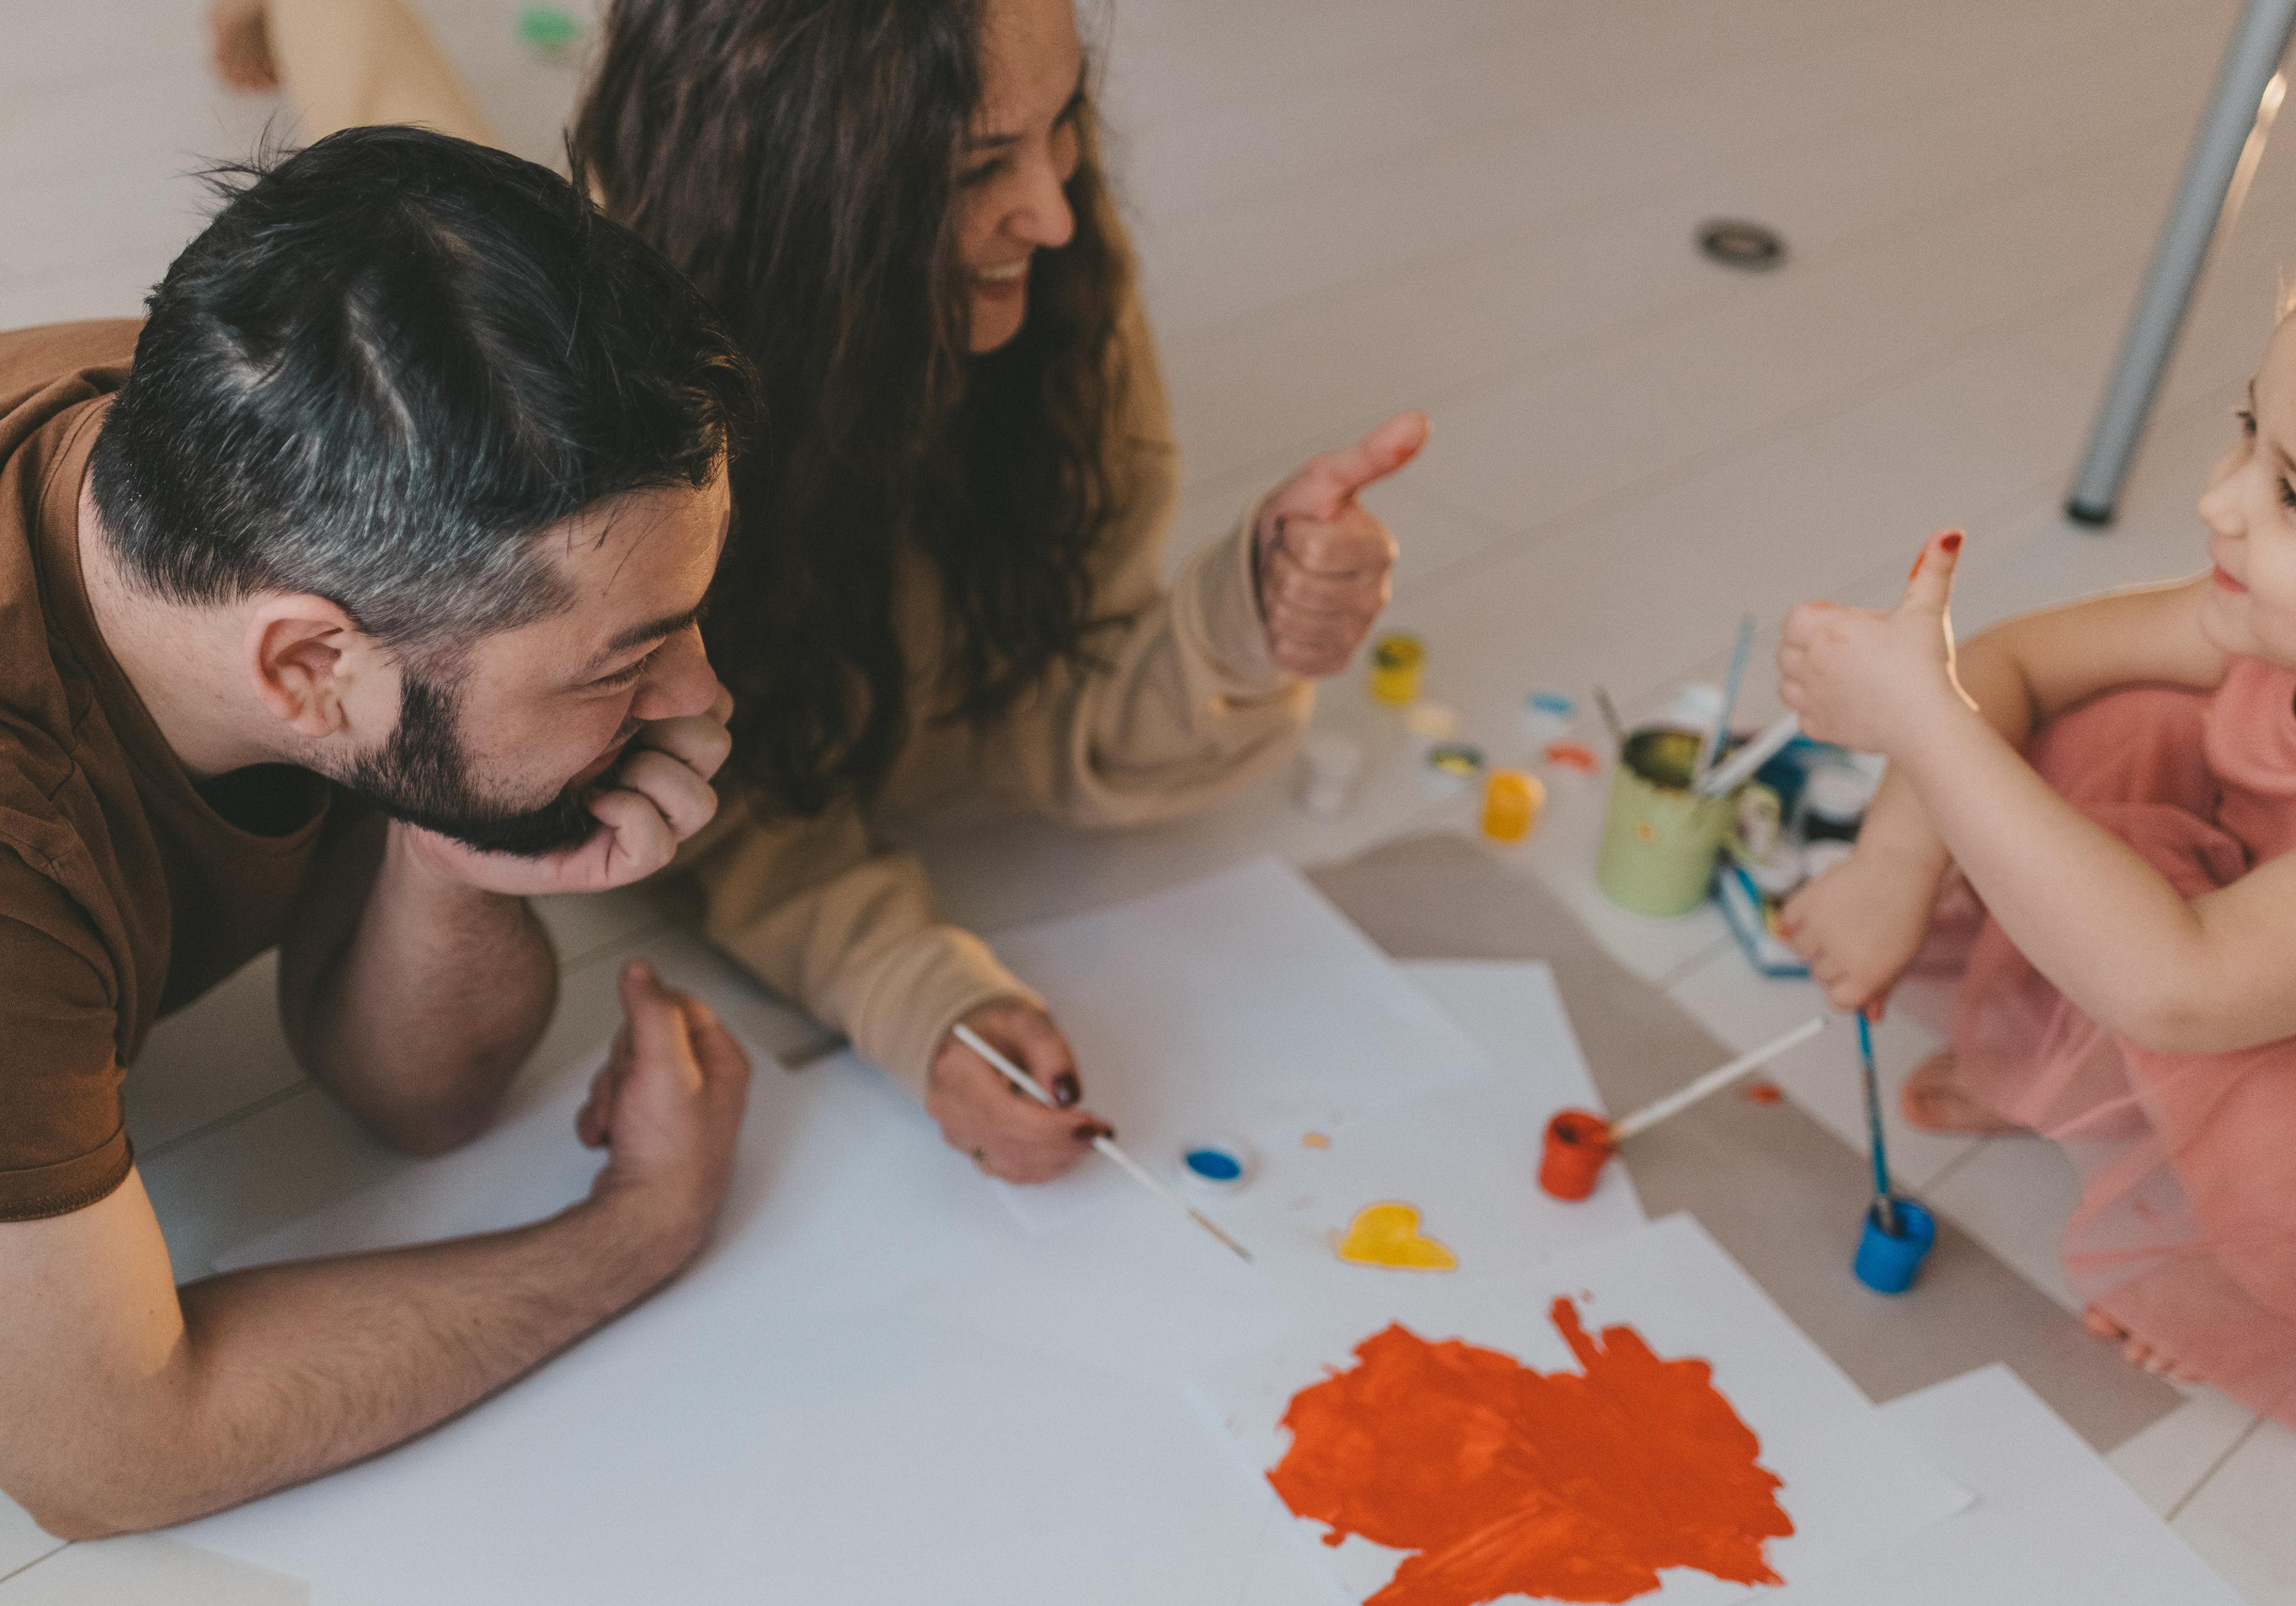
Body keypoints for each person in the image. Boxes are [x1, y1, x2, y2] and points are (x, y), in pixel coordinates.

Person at [206, 0, 1425, 1186]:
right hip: (625, 298)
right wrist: (914, 990)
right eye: (980, 167)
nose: (1056, 215)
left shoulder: (1063, 281)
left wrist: (1243, 621)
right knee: (429, 211)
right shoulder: (650, 417)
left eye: (1066, 124)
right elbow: (724, 809)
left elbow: (1062, 687)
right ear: (800, 190)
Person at [0, 126, 762, 1535]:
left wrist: (465, 840)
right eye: (624, 660)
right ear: (305, 668)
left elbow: (417, 1100)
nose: (698, 697)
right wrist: (635, 1230)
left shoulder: (260, 468)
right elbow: (112, 1454)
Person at [1774, 201, 2296, 1446]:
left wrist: (1920, 720)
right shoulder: (2287, 628)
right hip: (2233, 968)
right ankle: (2053, 1070)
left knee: (2259, 1065)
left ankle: (2271, 1283)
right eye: (2250, 432)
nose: (2219, 500)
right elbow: (2010, 667)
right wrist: (1893, 864)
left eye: (2294, 497)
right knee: (2102, 738)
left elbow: (2184, 987)